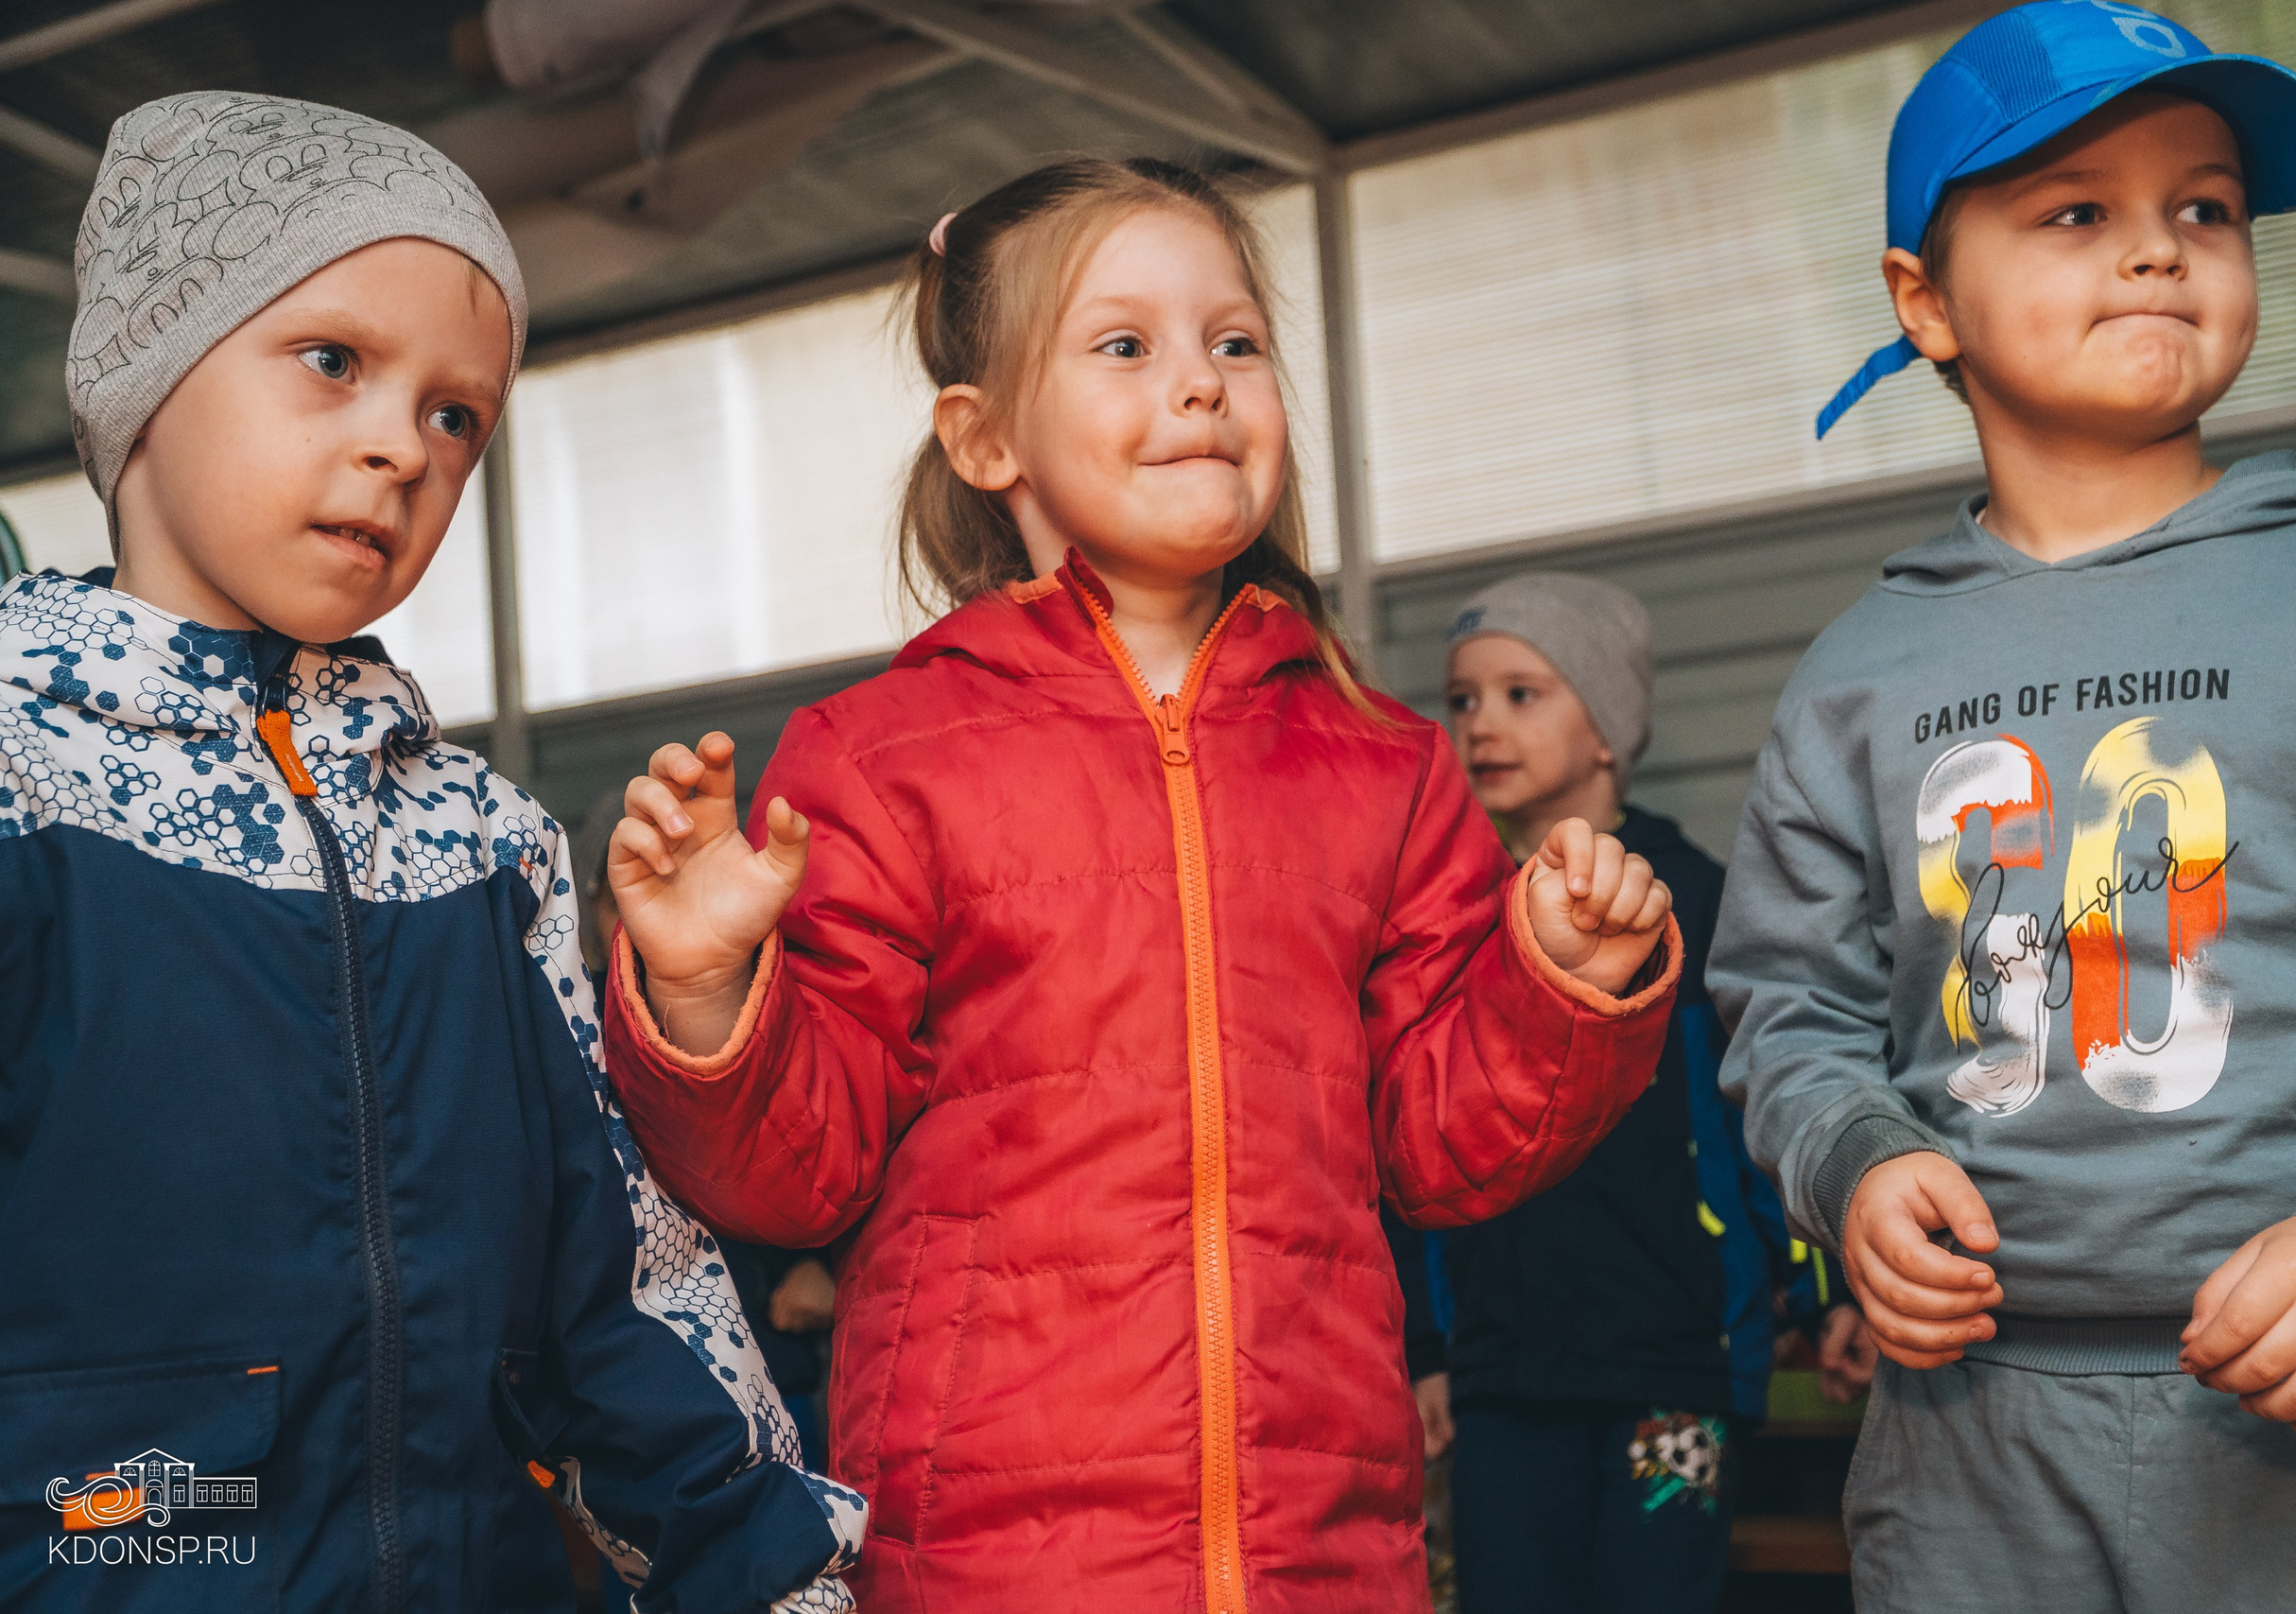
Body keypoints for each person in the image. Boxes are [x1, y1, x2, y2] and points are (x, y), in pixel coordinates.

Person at [596, 157, 1684, 1613]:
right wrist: (705, 984)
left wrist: (1559, 985)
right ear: (985, 439)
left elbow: (1441, 1143)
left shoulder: (1384, 759)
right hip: (995, 1554)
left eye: (1235, 342)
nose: (1202, 384)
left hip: (1326, 1549)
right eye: (1126, 346)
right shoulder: (879, 757)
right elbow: (802, 1170)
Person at [0, 93, 862, 1612]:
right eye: (333, 361)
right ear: (150, 371)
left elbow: (627, 1293)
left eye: (458, 413)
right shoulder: (23, 781)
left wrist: (777, 1575)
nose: (403, 443)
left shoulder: (485, 843)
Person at [1711, 7, 2296, 1609]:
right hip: (1971, 1447)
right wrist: (1858, 1162)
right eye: (2079, 211)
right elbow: (1789, 1007)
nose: (2162, 252)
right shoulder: (1854, 672)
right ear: (1924, 302)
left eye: (2208, 208)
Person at [1423, 574, 1869, 1613]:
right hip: (1500, 1381)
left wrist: (1829, 1292)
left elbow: (1766, 1115)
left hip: (1675, 1379)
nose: (1481, 724)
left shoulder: (1700, 902)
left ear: (1609, 729)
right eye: (1462, 699)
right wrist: (1423, 1353)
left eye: (1521, 694)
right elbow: (1408, 1142)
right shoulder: (1442, 918)